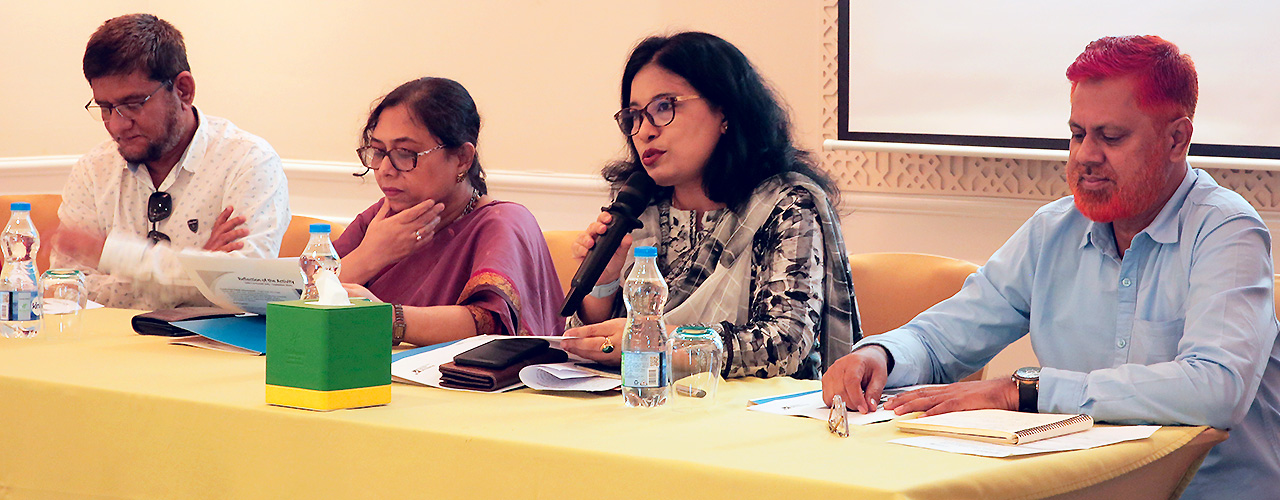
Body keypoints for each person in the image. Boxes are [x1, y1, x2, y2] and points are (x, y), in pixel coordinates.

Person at [822, 36, 1280, 498]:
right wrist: (879, 356)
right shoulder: (1054, 230)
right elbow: (942, 338)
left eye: (1111, 137)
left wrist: (1024, 391)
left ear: (1176, 139)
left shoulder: (1228, 230)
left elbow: (1216, 388)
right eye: (1078, 133)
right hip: (1080, 486)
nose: (1085, 156)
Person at [560, 32, 860, 379]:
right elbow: (599, 343)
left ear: (724, 111)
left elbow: (785, 345)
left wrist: (657, 340)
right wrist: (604, 283)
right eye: (634, 116)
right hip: (641, 402)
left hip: (759, 416)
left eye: (663, 107)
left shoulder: (784, 205)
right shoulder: (636, 206)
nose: (644, 131)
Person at [53, 14, 290, 310]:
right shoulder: (93, 170)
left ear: (183, 90)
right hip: (107, 348)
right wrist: (200, 270)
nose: (116, 125)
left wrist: (113, 256)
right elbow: (64, 287)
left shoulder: (249, 162)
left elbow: (244, 288)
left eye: (132, 105)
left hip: (209, 352)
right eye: (105, 108)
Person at [336, 77, 564, 345]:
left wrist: (392, 319)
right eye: (377, 151)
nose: (385, 169)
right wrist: (368, 256)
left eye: (405, 153)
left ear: (462, 159)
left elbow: (492, 324)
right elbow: (295, 300)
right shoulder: (379, 221)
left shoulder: (502, 222)